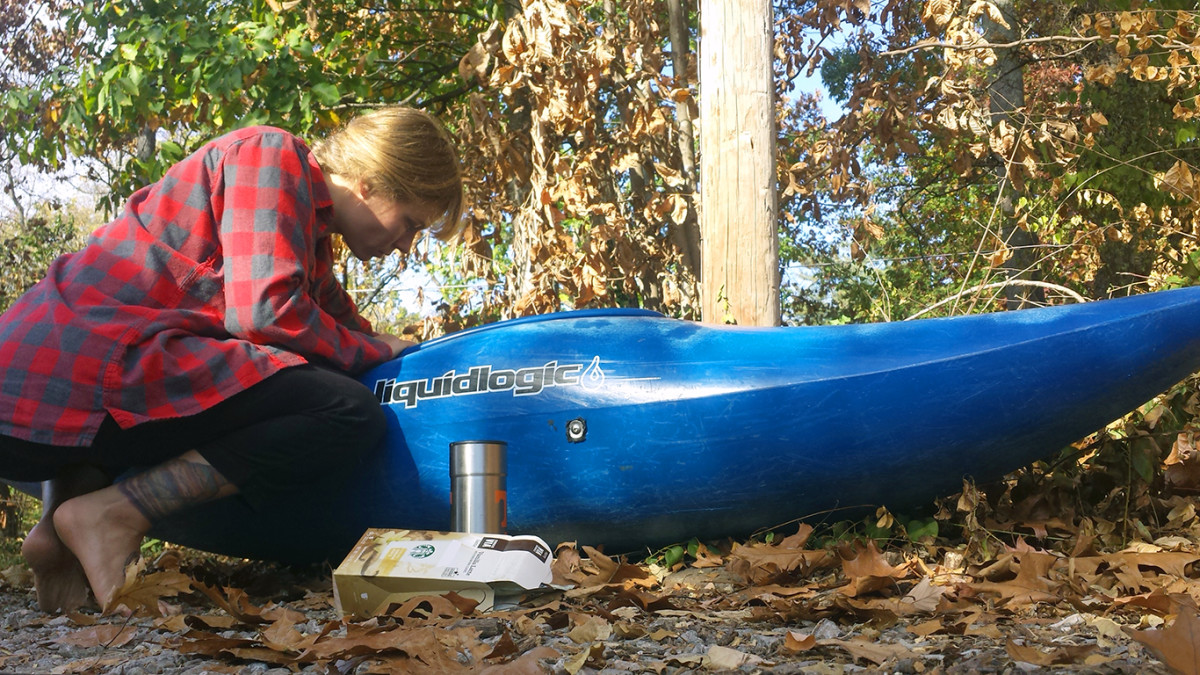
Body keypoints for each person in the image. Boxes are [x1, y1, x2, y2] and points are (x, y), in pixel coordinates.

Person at [0, 106, 464, 613]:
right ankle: (113, 514)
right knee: (344, 409)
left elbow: (336, 323)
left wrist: (392, 347)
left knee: (223, 379)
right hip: (60, 372)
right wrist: (380, 350)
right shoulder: (273, 154)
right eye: (409, 223)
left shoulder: (308, 238)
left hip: (46, 395)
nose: (405, 245)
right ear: (371, 183)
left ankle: (56, 540)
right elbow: (268, 313)